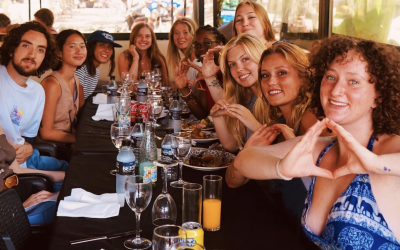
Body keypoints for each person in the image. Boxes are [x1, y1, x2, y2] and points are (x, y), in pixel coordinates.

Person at [235, 36, 400, 248]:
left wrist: (376, 164)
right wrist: (281, 168)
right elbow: (244, 160)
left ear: (379, 97)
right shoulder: (322, 147)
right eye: (331, 77)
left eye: (353, 81)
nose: (336, 90)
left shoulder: (390, 150)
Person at [225, 41, 319, 188]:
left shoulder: (312, 120)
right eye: (265, 75)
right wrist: (246, 151)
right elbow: (232, 181)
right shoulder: (276, 124)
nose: (271, 81)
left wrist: (294, 146)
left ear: (303, 77)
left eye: (282, 73)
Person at [0, 21, 66, 191]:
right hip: (8, 168)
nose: (32, 54)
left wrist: (28, 148)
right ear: (11, 48)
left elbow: (27, 138)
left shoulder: (37, 91)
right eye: (26, 45)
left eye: (40, 50)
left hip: (27, 159)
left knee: (79, 169)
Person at [201, 1, 277, 103]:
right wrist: (209, 77)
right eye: (239, 20)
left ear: (265, 22)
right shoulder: (235, 55)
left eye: (251, 17)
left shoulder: (280, 51)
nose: (245, 23)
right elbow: (230, 105)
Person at [210, 33, 269, 153]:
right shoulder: (246, 97)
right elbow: (231, 145)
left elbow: (282, 151)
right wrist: (217, 117)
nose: (239, 68)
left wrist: (252, 123)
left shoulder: (276, 97)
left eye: (245, 59)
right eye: (232, 64)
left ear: (261, 58)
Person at [0, 125, 57, 225]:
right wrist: (20, 208)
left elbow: (17, 170)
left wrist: (65, 175)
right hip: (8, 213)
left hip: (17, 192)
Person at [39, 29, 87, 145]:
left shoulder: (76, 80)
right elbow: (46, 133)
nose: (79, 51)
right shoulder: (52, 84)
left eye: (82, 46)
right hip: (54, 147)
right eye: (72, 46)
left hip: (69, 141)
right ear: (59, 52)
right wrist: (81, 140)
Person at [174, 25, 226, 119]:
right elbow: (202, 115)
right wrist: (184, 89)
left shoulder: (230, 70)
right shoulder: (203, 72)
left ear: (220, 45)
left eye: (207, 43)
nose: (201, 48)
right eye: (197, 45)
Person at [75, 30, 122, 99]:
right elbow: (78, 104)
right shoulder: (80, 70)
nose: (107, 50)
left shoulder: (95, 72)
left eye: (110, 47)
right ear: (91, 47)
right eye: (102, 45)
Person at [166, 17, 197, 87]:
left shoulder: (197, 59)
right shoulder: (184, 61)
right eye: (176, 33)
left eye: (185, 32)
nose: (180, 37)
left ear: (194, 35)